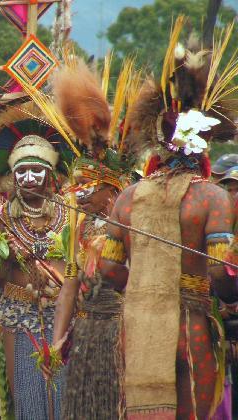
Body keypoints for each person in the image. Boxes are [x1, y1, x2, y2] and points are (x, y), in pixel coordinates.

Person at [100, 28, 238, 419]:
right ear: (203, 143)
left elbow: (109, 270)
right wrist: (229, 297)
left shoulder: (127, 197)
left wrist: (145, 287)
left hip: (137, 327)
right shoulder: (212, 197)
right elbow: (220, 272)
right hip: (189, 325)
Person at [44, 57, 136, 419]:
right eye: (76, 185)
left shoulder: (129, 225)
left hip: (121, 332)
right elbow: (69, 285)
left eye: (86, 187)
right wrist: (57, 341)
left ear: (112, 191)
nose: (77, 193)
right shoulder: (76, 228)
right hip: (86, 334)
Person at [0, 102, 77, 419]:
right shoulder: (1, 218)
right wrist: (6, 254)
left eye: (36, 169)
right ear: (13, 175)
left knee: (66, 398)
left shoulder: (72, 215)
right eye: (21, 171)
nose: (29, 177)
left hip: (67, 316)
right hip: (20, 317)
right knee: (30, 398)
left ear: (50, 174)